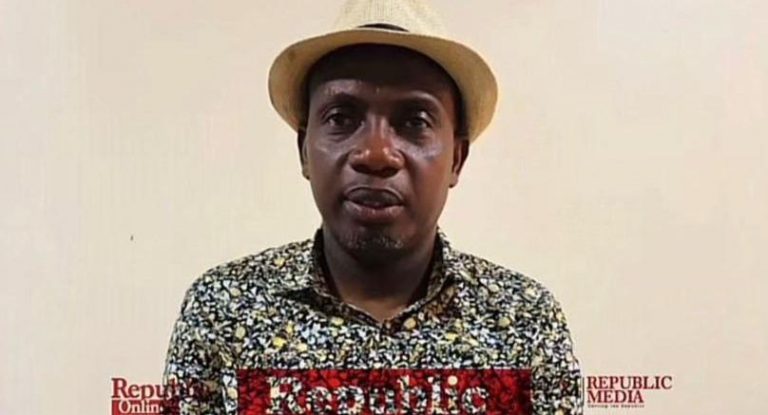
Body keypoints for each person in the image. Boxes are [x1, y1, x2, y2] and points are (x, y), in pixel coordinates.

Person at [162, 0, 582, 413]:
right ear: (304, 150)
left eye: (414, 121)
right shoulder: (223, 311)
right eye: (341, 118)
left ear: (457, 159)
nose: (376, 154)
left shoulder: (526, 322)